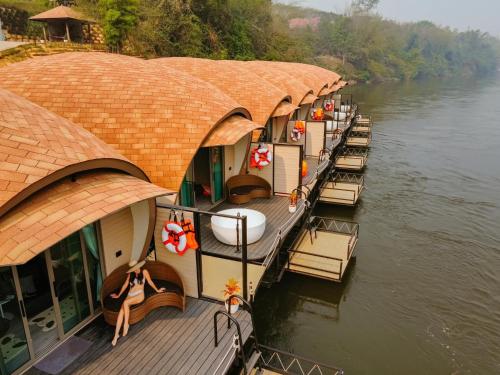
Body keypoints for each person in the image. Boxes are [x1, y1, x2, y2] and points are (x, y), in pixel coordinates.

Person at [110, 260, 165, 346]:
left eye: (136, 268)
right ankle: (116, 335)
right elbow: (125, 285)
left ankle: (126, 324)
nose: (135, 270)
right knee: (121, 312)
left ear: (139, 266)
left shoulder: (144, 272)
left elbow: (150, 281)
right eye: (133, 269)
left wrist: (157, 290)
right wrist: (118, 295)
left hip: (139, 295)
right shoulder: (130, 274)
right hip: (130, 295)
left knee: (125, 303)